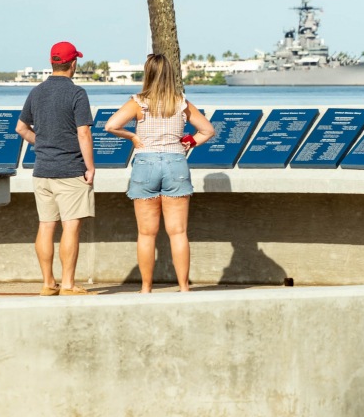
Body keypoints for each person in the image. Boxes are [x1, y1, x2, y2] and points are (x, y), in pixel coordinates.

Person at [105, 53, 214, 292]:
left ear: (148, 74)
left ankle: (146, 287)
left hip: (146, 163)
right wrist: (190, 142)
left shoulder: (138, 102)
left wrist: (133, 136)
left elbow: (111, 125)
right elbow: (207, 130)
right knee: (178, 232)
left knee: (146, 233)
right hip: (176, 162)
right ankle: (184, 287)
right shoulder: (181, 102)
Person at [15, 41, 96, 297]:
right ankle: (69, 284)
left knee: (46, 226)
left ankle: (48, 283)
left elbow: (21, 128)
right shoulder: (77, 93)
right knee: (70, 227)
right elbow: (83, 133)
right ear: (73, 64)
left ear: (52, 63)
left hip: (42, 171)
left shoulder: (36, 92)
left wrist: (43, 142)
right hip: (70, 169)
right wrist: (90, 167)